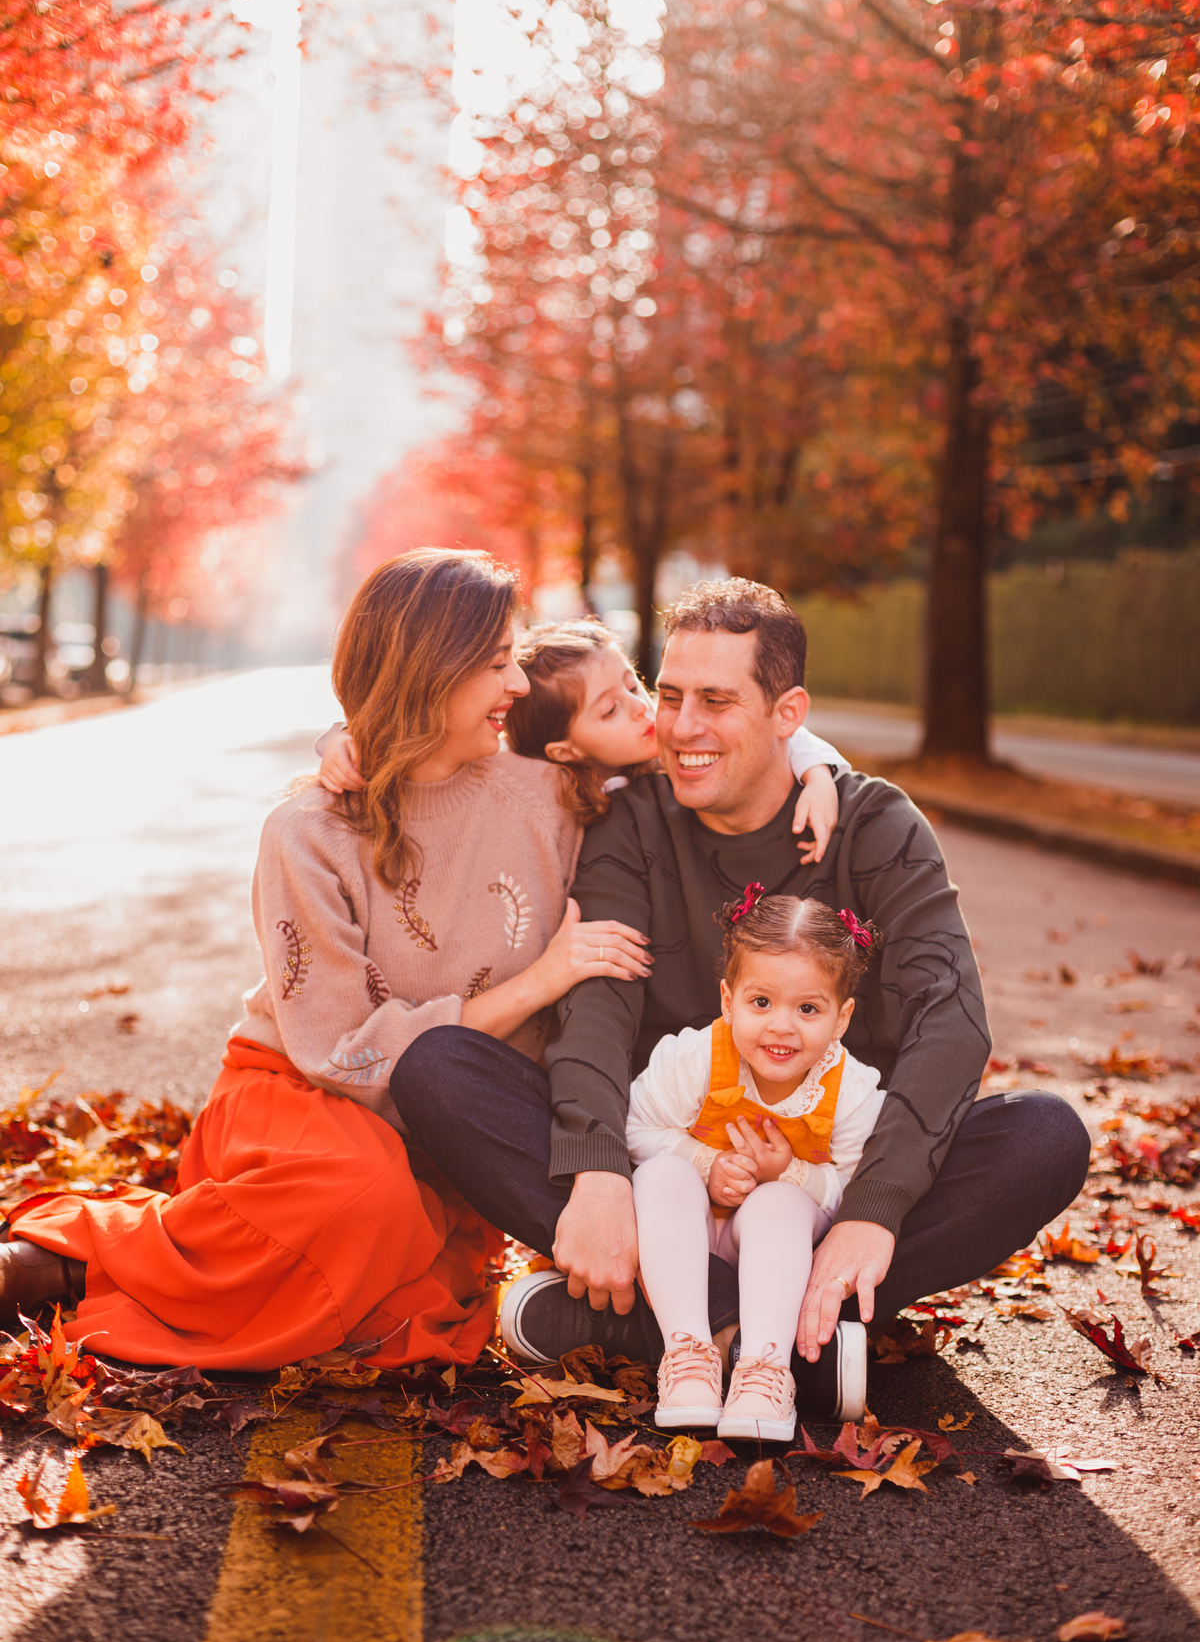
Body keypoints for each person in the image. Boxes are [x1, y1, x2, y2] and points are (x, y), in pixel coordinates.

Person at [392, 577, 1091, 1416]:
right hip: (668, 1178)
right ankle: (767, 1338)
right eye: (672, 696)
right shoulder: (630, 821)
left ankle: (676, 1321)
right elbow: (598, 1007)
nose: (682, 728)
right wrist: (598, 1172)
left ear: (787, 714)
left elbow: (953, 1018)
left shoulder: (875, 826)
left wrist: (874, 1208)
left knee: (1045, 1135)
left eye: (718, 702)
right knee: (439, 1065)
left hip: (826, 1182)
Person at [0, 549, 654, 1363]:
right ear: (428, 674)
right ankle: (68, 1263)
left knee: (396, 1285)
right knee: (366, 1199)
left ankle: (110, 1268)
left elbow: (702, 767)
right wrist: (544, 980)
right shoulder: (307, 833)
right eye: (494, 666)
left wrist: (820, 776)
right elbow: (341, 1054)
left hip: (449, 1131)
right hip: (302, 1094)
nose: (517, 687)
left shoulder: (550, 792)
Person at [629, 892, 884, 1439]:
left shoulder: (853, 1092)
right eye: (761, 1002)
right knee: (660, 1174)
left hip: (780, 1250)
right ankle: (689, 1356)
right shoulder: (694, 1058)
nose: (781, 1028)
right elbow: (636, 1132)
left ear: (842, 1018)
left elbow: (858, 1189)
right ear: (727, 999)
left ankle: (764, 1367)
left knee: (778, 1201)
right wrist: (706, 1162)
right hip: (686, 1231)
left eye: (808, 1009)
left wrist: (790, 1174)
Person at [316, 615, 849, 864]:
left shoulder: (677, 751)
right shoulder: (543, 788)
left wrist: (818, 774)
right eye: (611, 710)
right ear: (565, 751)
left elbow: (766, 734)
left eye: (633, 683)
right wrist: (344, 738)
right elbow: (441, 760)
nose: (645, 707)